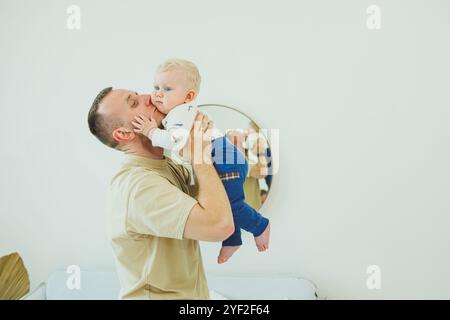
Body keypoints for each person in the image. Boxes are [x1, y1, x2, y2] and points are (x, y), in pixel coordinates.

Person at [87, 87, 234, 299]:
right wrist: (199, 154)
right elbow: (220, 226)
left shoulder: (167, 166)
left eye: (139, 94)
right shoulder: (139, 186)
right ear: (125, 134)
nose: (150, 97)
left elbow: (217, 202)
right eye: (134, 103)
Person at [132, 59, 270, 264]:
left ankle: (260, 225)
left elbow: (175, 140)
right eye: (156, 87)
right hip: (225, 159)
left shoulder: (180, 113)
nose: (158, 93)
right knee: (223, 205)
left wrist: (150, 131)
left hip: (226, 160)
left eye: (167, 89)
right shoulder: (177, 114)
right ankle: (232, 240)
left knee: (232, 205)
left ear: (188, 96)